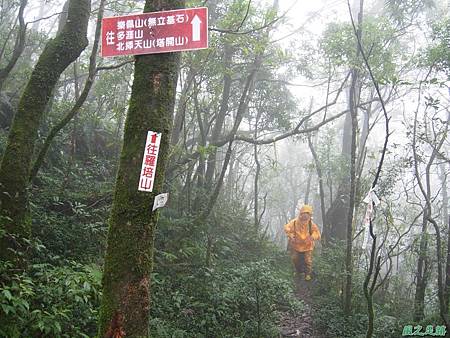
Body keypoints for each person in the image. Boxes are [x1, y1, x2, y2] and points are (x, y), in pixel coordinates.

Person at [284, 204, 321, 281]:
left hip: (308, 246)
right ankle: (298, 271)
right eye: (304, 213)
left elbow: (317, 232)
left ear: (310, 215)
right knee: (294, 258)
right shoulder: (294, 222)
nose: (306, 215)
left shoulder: (311, 224)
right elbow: (287, 228)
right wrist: (291, 235)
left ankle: (308, 273)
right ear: (301, 214)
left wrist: (313, 237)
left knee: (308, 260)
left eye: (308, 214)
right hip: (296, 245)